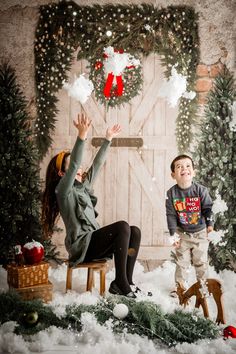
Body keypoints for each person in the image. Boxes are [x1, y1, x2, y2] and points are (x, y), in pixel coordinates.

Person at [42, 112, 141, 298]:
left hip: (93, 241)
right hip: (82, 247)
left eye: (77, 167)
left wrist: (108, 139)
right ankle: (120, 282)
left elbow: (96, 165)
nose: (78, 168)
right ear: (63, 173)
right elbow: (75, 164)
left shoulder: (83, 188)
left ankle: (126, 281)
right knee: (122, 226)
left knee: (134, 231)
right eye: (71, 167)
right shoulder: (63, 192)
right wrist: (81, 137)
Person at [165, 154, 214, 296]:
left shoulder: (201, 191)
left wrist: (210, 224)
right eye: (179, 167)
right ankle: (180, 287)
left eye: (187, 166)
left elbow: (208, 209)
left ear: (193, 172)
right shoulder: (171, 193)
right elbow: (171, 215)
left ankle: (203, 287)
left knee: (201, 262)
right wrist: (173, 234)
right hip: (182, 234)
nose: (184, 169)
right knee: (182, 262)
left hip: (200, 233)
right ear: (173, 174)